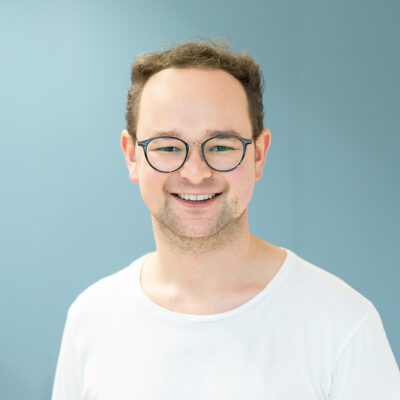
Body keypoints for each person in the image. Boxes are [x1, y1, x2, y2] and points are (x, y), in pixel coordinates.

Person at [52, 39, 400, 399]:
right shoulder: (91, 320)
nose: (195, 173)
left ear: (259, 155)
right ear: (132, 156)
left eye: (221, 146)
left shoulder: (343, 324)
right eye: (167, 147)